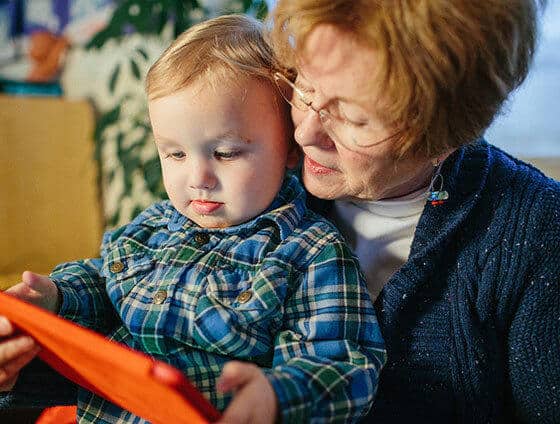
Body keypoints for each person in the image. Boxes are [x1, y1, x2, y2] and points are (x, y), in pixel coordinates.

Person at [0, 14, 386, 424]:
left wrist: (276, 396)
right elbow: (102, 283)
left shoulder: (312, 253)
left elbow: (343, 367)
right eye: (175, 154)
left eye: (225, 153)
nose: (198, 179)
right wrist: (56, 297)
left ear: (290, 150)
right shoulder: (153, 226)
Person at [263, 0, 559, 423]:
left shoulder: (535, 232)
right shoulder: (261, 178)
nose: (306, 132)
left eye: (352, 118)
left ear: (446, 134)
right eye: (304, 87)